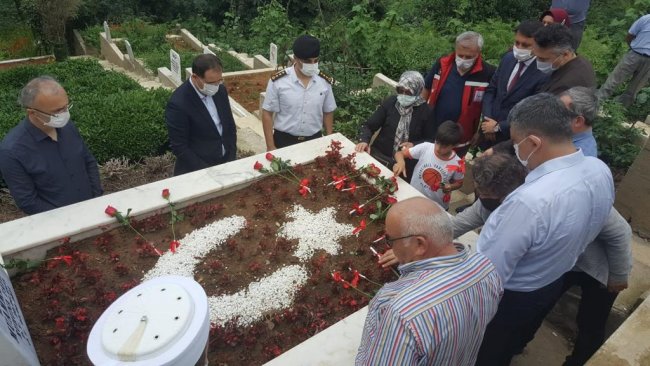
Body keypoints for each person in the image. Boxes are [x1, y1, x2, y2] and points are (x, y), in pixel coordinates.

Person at [474, 93, 615, 366]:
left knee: (487, 353)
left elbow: (488, 273)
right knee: (512, 343)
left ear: (534, 142)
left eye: (516, 143)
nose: (515, 149)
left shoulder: (530, 201)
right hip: (551, 281)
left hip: (511, 297)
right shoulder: (599, 170)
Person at [355, 197, 502, 366]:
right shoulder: (486, 269)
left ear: (419, 244)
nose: (391, 248)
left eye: (391, 240)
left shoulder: (399, 312)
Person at [0, 76, 102, 215]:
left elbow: (88, 161)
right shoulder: (11, 151)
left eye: (66, 107)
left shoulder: (68, 127)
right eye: (57, 111)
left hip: (93, 209)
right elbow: (27, 201)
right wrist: (67, 219)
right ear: (32, 113)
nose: (65, 114)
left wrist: (96, 198)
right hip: (59, 226)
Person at [422, 31, 496, 157]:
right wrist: (421, 114)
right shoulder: (442, 64)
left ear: (478, 52)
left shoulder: (487, 73)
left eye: (469, 57)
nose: (463, 60)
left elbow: (491, 103)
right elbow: (426, 88)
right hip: (432, 128)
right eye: (460, 55)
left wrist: (480, 132)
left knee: (450, 168)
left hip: (462, 136)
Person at [480, 20, 548, 149]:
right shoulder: (508, 59)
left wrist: (499, 127)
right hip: (487, 130)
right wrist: (487, 120)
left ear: (538, 45)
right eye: (517, 43)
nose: (519, 48)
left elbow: (532, 111)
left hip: (512, 139)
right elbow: (491, 90)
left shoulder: (543, 73)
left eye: (526, 45)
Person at [165, 54, 237, 176]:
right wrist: (207, 172)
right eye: (211, 82)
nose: (216, 86)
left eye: (219, 80)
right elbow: (180, 147)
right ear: (195, 77)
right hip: (197, 171)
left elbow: (229, 125)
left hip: (225, 163)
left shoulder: (220, 90)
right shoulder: (179, 103)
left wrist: (231, 156)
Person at [355, 71, 435, 179]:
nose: (404, 95)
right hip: (380, 156)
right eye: (401, 91)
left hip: (405, 166)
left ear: (417, 91)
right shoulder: (391, 103)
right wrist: (364, 140)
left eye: (409, 92)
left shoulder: (426, 112)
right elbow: (369, 125)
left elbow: (430, 140)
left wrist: (414, 144)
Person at [262, 35, 336, 150]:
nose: (312, 65)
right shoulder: (279, 82)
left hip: (314, 140)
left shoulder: (324, 82)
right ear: (295, 59)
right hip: (284, 140)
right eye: (307, 61)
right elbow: (267, 113)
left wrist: (329, 138)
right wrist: (270, 146)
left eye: (315, 61)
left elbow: (328, 111)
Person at [393, 121, 464, 210]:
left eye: (444, 146)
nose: (438, 148)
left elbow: (459, 183)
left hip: (436, 206)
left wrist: (450, 186)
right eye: (437, 142)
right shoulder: (426, 147)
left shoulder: (458, 163)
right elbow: (399, 154)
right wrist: (401, 162)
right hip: (414, 196)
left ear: (455, 145)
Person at [596, 14, 650, 107]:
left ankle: (618, 111)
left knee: (633, 90)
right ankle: (594, 104)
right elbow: (630, 35)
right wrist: (633, 48)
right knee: (613, 81)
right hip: (634, 54)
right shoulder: (646, 19)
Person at [534, 24, 596, 94]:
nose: (538, 61)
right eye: (535, 56)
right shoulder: (577, 61)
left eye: (543, 59)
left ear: (565, 54)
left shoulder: (566, 87)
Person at [561, 86, 599, 157]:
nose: (551, 113)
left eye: (559, 111)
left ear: (578, 121)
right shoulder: (565, 137)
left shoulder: (580, 156)